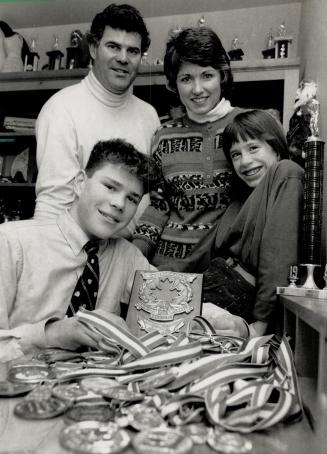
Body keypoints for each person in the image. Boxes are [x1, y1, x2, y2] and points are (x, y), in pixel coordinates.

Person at [0, 139, 158, 363]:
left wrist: (219, 318)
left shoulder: (127, 256)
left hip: (96, 389)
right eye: (110, 187)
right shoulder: (11, 242)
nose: (119, 204)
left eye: (132, 198)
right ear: (80, 182)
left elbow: (175, 299)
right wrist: (54, 334)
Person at [34, 3, 160, 236]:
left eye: (132, 51)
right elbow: (52, 206)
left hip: (133, 256)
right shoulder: (61, 108)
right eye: (113, 46)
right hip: (77, 259)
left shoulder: (149, 116)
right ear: (93, 48)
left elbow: (151, 199)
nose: (123, 58)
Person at [179, 109, 304, 338]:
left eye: (253, 148)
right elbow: (195, 260)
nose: (245, 161)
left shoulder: (287, 173)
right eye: (235, 154)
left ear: (276, 149)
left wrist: (260, 324)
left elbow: (279, 256)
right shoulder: (239, 203)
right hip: (203, 299)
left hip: (235, 310)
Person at [133, 26, 244, 269]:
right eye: (186, 78)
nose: (197, 89)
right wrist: (132, 258)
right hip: (164, 269)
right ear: (174, 84)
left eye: (206, 75)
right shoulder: (163, 136)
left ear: (222, 75)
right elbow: (159, 206)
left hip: (224, 272)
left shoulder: (248, 127)